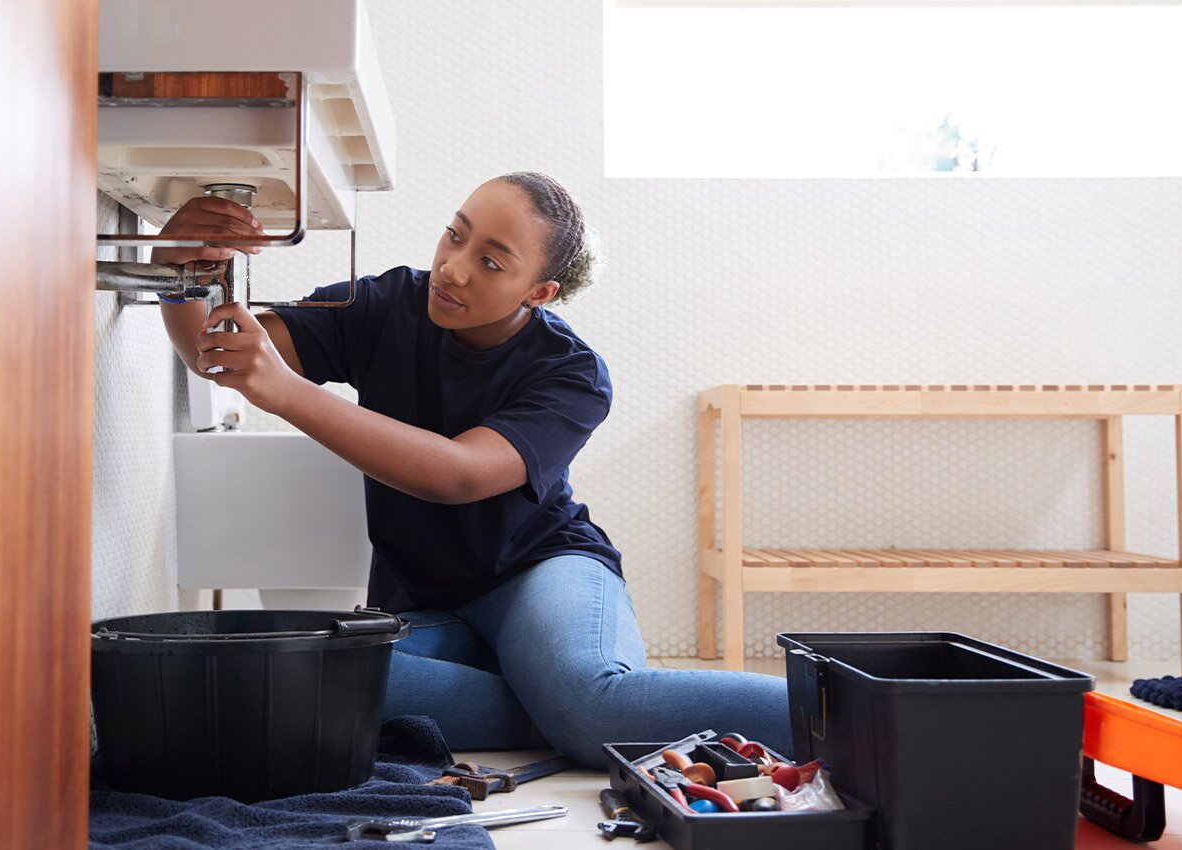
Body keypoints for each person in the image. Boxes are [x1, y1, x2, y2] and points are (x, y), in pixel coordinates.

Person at [154, 172, 792, 769]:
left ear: (540, 292)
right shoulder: (385, 304)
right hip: (428, 599)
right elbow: (219, 354)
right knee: (300, 680)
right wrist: (179, 268)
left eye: (490, 262)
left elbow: (457, 474)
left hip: (540, 570)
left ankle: (848, 705)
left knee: (589, 700)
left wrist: (287, 392)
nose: (452, 270)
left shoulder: (571, 373)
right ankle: (549, 703)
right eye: (455, 235)